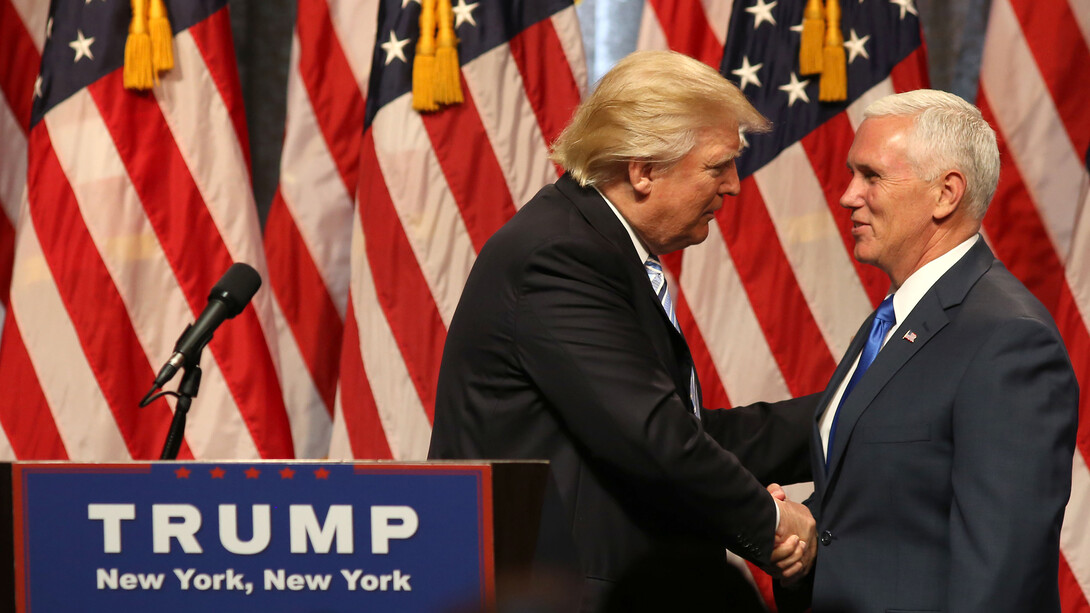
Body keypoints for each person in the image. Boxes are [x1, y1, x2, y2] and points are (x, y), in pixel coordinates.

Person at [428, 50, 818, 612]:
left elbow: (676, 431)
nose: (733, 186)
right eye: (717, 165)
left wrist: (846, 414)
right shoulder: (560, 255)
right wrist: (773, 522)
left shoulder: (594, 243)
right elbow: (653, 436)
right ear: (644, 170)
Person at [776, 89, 1079, 612]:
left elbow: (1003, 569)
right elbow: (878, 501)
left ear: (946, 194)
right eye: (852, 174)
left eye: (871, 176)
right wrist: (799, 526)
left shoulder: (1008, 339)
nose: (848, 195)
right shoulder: (895, 318)